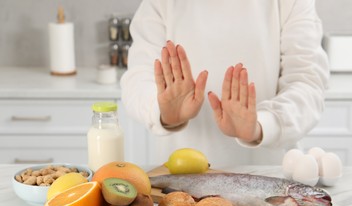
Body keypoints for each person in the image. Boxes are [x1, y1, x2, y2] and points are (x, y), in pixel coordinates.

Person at [120, 0, 329, 167]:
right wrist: (163, 112)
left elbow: (307, 82)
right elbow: (138, 78)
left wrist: (261, 125)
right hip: (183, 181)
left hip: (271, 176)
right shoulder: (159, 3)